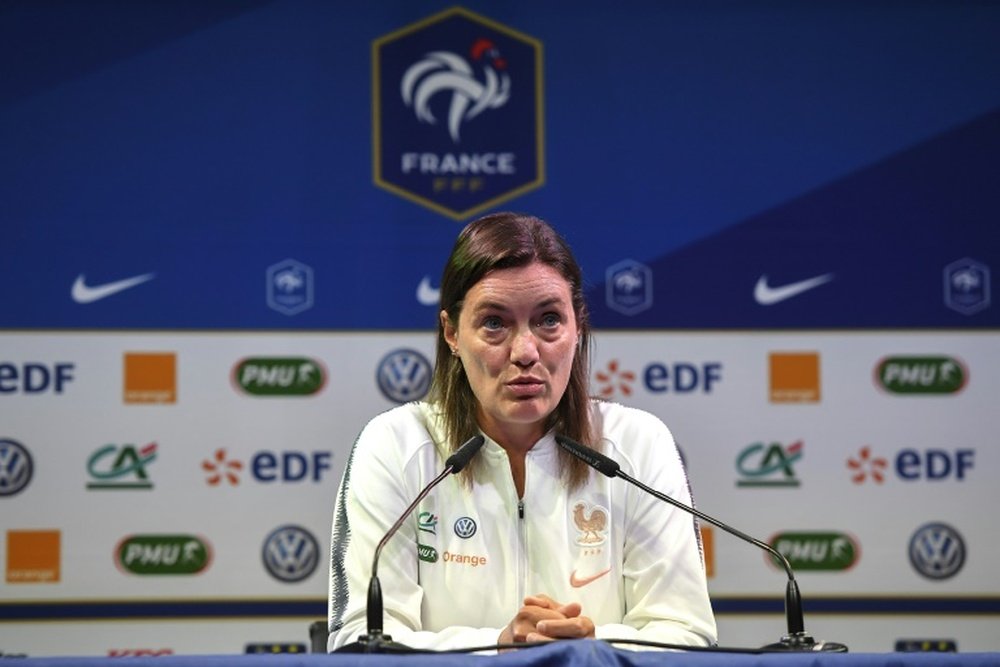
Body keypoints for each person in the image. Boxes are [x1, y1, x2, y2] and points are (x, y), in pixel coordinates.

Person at [327, 212, 717, 651]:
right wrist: (499, 647)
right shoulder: (395, 446)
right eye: (494, 323)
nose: (525, 351)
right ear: (452, 333)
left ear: (578, 327)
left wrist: (590, 650)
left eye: (549, 319)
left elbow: (687, 635)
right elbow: (361, 641)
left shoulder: (637, 445)